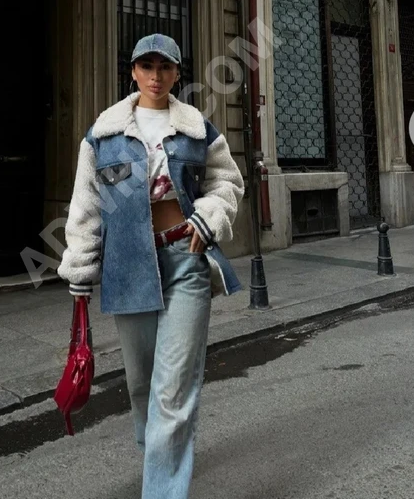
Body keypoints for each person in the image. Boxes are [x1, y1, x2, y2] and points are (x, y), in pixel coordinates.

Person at [57, 33, 244, 498]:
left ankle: (163, 486)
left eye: (166, 67)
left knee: (173, 391)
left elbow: (228, 182)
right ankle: (160, 453)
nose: (156, 76)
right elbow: (87, 205)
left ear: (177, 74)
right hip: (129, 266)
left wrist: (211, 215)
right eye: (147, 66)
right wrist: (80, 270)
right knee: (142, 385)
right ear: (134, 72)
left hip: (187, 258)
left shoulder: (197, 128)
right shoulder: (103, 133)